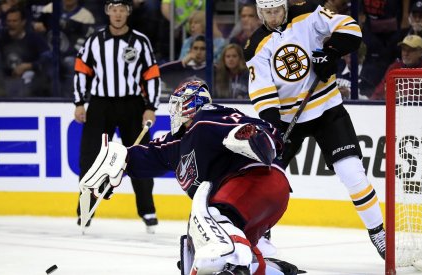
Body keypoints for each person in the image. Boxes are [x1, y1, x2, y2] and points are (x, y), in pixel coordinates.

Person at [79, 80, 300, 274]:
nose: (173, 111)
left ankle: (237, 258)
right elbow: (147, 155)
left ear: (187, 104)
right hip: (250, 203)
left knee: (214, 222)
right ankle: (270, 269)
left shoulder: (205, 119)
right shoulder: (178, 146)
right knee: (194, 253)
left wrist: (259, 137)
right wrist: (118, 164)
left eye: (176, 104)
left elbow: (254, 128)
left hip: (256, 180)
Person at [244, 0, 386, 259]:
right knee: (266, 179)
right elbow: (263, 97)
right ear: (259, 12)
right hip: (288, 120)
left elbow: (350, 29)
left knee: (352, 174)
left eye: (276, 11)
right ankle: (261, 232)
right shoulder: (255, 45)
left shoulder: (308, 13)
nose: (272, 17)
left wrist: (330, 52)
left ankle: (378, 232)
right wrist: (275, 128)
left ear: (285, 7)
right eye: (267, 12)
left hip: (326, 109)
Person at [73, 0, 161, 233]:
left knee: (141, 156)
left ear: (128, 12)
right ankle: (86, 209)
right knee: (91, 158)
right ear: (107, 12)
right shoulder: (94, 41)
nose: (118, 13)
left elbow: (151, 74)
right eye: (114, 9)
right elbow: (82, 70)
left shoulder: (140, 41)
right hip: (100, 106)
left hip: (133, 106)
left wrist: (151, 106)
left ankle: (147, 210)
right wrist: (80, 102)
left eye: (122, 9)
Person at [0, 6, 51, 97]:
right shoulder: (2, 39)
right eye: (9, 21)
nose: (11, 24)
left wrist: (29, 66)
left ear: (23, 22)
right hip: (7, 79)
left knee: (29, 75)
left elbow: (48, 58)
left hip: (32, 79)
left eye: (14, 21)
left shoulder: (34, 38)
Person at [371, 35, 422, 100]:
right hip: (395, 108)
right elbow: (379, 92)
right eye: (404, 49)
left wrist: (403, 95)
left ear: (421, 52)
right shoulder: (394, 68)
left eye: (411, 50)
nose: (406, 53)